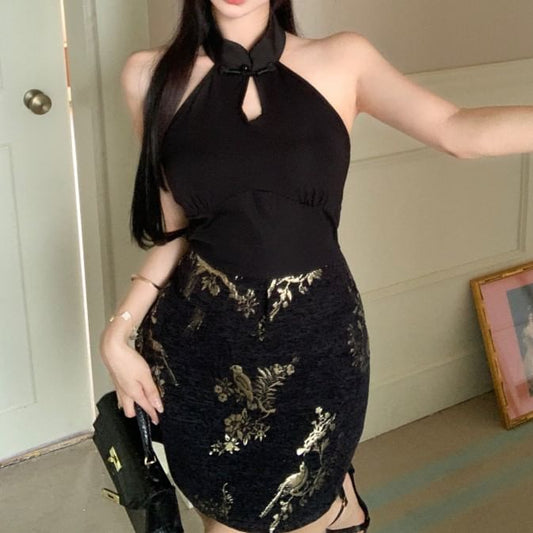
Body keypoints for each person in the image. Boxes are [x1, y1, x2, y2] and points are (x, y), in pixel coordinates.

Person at [99, 1, 533, 532]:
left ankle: (338, 502)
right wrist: (117, 334)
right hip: (202, 348)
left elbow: (457, 129)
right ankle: (341, 503)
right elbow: (178, 232)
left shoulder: (343, 59)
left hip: (316, 344)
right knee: (223, 519)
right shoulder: (148, 76)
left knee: (297, 512)